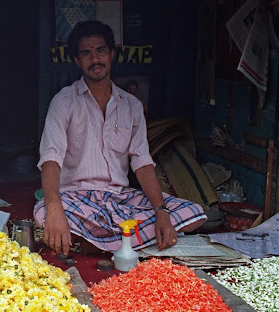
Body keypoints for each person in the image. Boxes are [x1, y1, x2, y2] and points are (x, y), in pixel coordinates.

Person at [34, 20, 206, 255]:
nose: (95, 59)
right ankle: (127, 238)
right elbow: (51, 157)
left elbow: (142, 162)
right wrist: (54, 207)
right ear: (77, 60)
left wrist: (160, 211)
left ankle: (98, 241)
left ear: (111, 54)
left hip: (120, 199)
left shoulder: (131, 105)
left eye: (100, 50)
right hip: (76, 198)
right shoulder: (64, 101)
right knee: (44, 212)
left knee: (194, 213)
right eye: (86, 53)